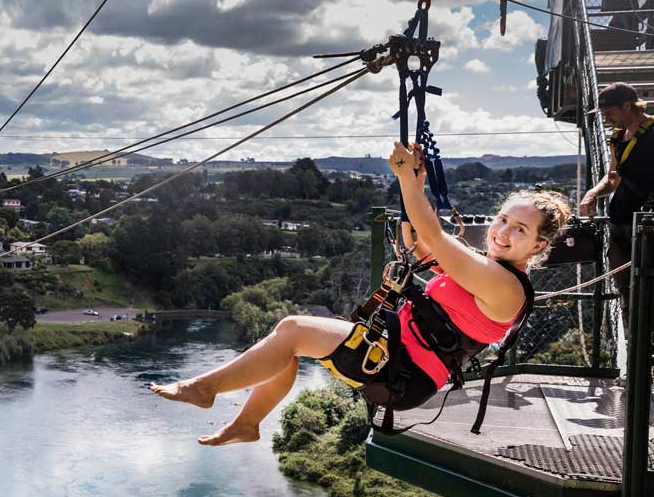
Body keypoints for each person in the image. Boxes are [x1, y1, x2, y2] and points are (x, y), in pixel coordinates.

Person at [150, 142, 571, 446]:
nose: (503, 232)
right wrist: (412, 197)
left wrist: (409, 181)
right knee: (289, 334)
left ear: (537, 246)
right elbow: (425, 245)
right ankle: (247, 423)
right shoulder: (487, 268)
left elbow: (433, 236)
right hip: (394, 355)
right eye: (503, 219)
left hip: (403, 371)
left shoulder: (505, 286)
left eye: (521, 230)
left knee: (294, 330)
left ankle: (205, 389)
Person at [578, 82, 654, 322]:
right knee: (625, 288)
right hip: (619, 221)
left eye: (609, 112)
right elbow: (613, 178)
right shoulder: (618, 137)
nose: (607, 119)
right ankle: (634, 342)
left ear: (627, 106)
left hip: (646, 225)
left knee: (648, 286)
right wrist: (593, 193)